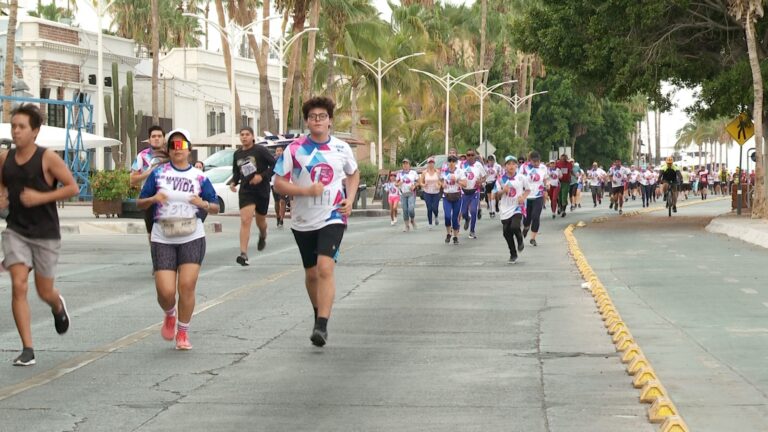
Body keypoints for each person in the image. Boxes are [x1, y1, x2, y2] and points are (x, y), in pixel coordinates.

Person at [273, 96, 359, 348]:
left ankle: (322, 324)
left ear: (330, 121)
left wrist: (350, 199)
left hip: (333, 214)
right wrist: (305, 192)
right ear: (307, 122)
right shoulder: (295, 149)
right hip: (302, 219)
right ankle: (317, 310)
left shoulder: (342, 148)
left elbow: (353, 174)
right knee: (311, 273)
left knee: (324, 268)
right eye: (312, 117)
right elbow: (278, 183)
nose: (317, 120)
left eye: (322, 116)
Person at [0, 104, 79, 365]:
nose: (16, 131)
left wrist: (41, 197)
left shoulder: (48, 158)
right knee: (18, 284)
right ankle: (27, 349)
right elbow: (2, 181)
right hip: (16, 230)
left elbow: (72, 188)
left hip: (45, 233)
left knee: (43, 291)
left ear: (35, 131)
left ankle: (57, 305)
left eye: (22, 127)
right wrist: (2, 195)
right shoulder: (4, 158)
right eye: (14, 126)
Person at [138, 129, 218, 350]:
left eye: (181, 146)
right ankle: (169, 313)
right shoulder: (158, 174)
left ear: (189, 149)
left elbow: (216, 206)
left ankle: (183, 332)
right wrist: (155, 198)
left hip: (192, 235)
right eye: (173, 146)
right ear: (168, 150)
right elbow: (140, 202)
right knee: (165, 292)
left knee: (187, 285)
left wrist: (202, 204)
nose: (177, 150)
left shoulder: (200, 177)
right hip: (163, 236)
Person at [228, 126, 275, 266]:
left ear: (253, 136)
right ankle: (243, 253)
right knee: (245, 219)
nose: (244, 137)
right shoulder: (237, 154)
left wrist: (262, 176)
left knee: (260, 221)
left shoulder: (260, 150)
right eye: (241, 134)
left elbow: (275, 165)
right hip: (246, 191)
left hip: (261, 190)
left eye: (247, 134)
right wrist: (233, 183)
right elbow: (237, 173)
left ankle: (263, 234)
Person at [130, 126, 167, 237]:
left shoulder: (171, 155)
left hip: (168, 196)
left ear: (164, 139)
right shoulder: (142, 156)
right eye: (153, 136)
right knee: (151, 234)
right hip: (149, 197)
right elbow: (132, 179)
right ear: (149, 139)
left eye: (159, 136)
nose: (156, 138)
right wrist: (148, 172)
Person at [495, 155, 530, 264]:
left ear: (516, 165)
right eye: (508, 164)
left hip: (517, 207)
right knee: (506, 232)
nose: (511, 166)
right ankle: (513, 253)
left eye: (513, 164)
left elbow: (528, 190)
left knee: (515, 226)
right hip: (505, 208)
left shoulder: (521, 177)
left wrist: (523, 197)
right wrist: (502, 191)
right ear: (505, 166)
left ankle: (520, 240)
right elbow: (496, 195)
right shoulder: (501, 179)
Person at [520, 151, 549, 246]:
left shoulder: (543, 168)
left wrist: (547, 184)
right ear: (530, 160)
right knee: (527, 219)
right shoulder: (524, 167)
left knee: (536, 217)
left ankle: (532, 238)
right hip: (527, 196)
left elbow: (545, 179)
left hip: (538, 196)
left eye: (538, 161)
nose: (536, 163)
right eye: (534, 161)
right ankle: (526, 227)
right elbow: (519, 179)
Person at [460, 148, 486, 239]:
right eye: (468, 155)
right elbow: (457, 176)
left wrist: (481, 181)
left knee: (474, 211)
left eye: (472, 155)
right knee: (463, 212)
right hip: (464, 192)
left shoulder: (478, 165)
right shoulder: (462, 165)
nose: (470, 157)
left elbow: (484, 177)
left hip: (474, 191)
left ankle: (472, 231)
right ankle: (467, 219)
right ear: (466, 156)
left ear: (475, 156)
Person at [440, 155, 465, 245]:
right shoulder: (444, 172)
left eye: (453, 161)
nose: (451, 163)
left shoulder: (460, 172)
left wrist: (457, 180)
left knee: (455, 218)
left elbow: (465, 183)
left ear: (456, 163)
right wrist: (443, 185)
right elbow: (441, 182)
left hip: (457, 196)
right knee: (447, 216)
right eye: (450, 161)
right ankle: (448, 233)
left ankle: (455, 236)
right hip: (447, 196)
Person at [396, 158, 419, 232]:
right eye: (404, 164)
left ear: (409, 165)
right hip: (403, 193)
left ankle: (412, 219)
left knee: (411, 209)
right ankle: (406, 225)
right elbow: (396, 183)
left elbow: (418, 182)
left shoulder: (413, 173)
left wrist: (414, 186)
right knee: (405, 210)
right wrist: (399, 183)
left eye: (407, 163)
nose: (405, 165)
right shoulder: (400, 173)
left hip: (411, 193)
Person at [419, 157, 441, 227]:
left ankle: (436, 216)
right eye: (429, 163)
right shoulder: (424, 172)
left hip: (436, 193)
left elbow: (441, 182)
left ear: (434, 164)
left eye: (432, 163)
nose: (431, 164)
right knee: (429, 208)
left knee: (434, 207)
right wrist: (423, 184)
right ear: (427, 164)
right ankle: (430, 223)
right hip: (427, 192)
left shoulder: (437, 172)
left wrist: (439, 186)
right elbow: (420, 182)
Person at [271, 146, 288, 227]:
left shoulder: (286, 160)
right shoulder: (272, 160)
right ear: (275, 152)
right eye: (277, 150)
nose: (279, 152)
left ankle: (281, 219)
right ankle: (278, 216)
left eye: (280, 150)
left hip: (284, 183)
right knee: (277, 202)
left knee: (283, 201)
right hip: (274, 183)